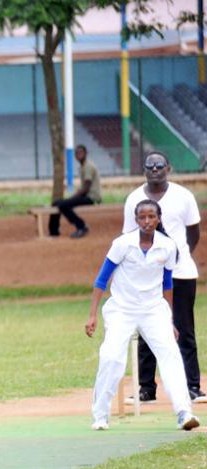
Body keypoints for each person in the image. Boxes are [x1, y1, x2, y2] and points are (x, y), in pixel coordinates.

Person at [85, 200, 199, 431]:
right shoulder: (122, 244)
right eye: (142, 218)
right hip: (122, 308)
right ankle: (100, 415)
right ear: (136, 220)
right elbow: (102, 279)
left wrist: (170, 320)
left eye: (151, 217)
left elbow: (167, 285)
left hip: (153, 309)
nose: (147, 221)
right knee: (111, 357)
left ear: (158, 219)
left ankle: (184, 412)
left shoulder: (167, 246)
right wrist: (92, 315)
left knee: (170, 354)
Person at [122, 151, 205, 405]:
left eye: (159, 165)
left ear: (168, 167)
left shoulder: (183, 196)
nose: (155, 169)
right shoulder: (134, 199)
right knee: (147, 329)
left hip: (181, 274)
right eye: (150, 166)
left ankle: (192, 386)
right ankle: (146, 388)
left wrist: (179, 257)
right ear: (144, 170)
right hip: (148, 277)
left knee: (183, 329)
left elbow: (194, 232)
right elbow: (128, 238)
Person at [49, 144, 101, 238]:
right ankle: (53, 231)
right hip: (86, 196)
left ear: (86, 153)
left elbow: (86, 188)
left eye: (81, 152)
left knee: (63, 205)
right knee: (56, 203)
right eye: (77, 153)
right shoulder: (82, 167)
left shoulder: (88, 167)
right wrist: (72, 198)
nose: (79, 155)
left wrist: (72, 198)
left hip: (91, 198)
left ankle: (81, 226)